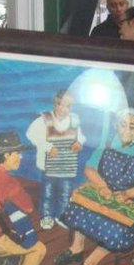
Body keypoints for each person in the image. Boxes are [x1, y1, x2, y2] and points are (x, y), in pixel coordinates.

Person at [54, 108, 134, 265]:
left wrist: (126, 194)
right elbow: (90, 168)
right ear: (117, 125)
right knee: (80, 207)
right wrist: (102, 186)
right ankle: (76, 249)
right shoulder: (107, 141)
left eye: (131, 127)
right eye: (123, 125)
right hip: (103, 188)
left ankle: (90, 263)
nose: (126, 130)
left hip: (130, 197)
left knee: (117, 228)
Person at [0, 130, 47, 265]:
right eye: (17, 153)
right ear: (6, 155)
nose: (21, 157)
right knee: (38, 249)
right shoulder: (8, 181)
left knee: (14, 233)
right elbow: (28, 207)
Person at [25, 90, 85, 230]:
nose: (63, 109)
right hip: (49, 166)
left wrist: (79, 143)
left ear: (71, 107)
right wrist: (47, 146)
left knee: (65, 193)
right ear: (55, 103)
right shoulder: (45, 119)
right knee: (48, 192)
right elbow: (31, 134)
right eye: (60, 104)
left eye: (67, 106)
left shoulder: (74, 121)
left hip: (67, 166)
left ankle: (61, 215)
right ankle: (47, 216)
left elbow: (80, 136)